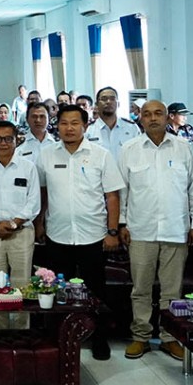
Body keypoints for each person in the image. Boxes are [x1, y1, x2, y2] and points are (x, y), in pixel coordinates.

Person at [36, 105, 124, 361]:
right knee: (56, 289)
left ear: (85, 126)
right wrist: (40, 222)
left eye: (75, 123)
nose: (69, 128)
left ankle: (98, 338)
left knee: (95, 291)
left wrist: (112, 230)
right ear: (58, 126)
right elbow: (42, 192)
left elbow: (112, 195)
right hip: (58, 234)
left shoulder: (101, 155)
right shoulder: (47, 155)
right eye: (64, 123)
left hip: (94, 235)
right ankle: (58, 337)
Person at [117, 101, 193, 361]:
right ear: (139, 119)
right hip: (140, 230)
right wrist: (122, 223)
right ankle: (140, 336)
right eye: (147, 114)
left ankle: (169, 338)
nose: (153, 118)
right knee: (140, 289)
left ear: (167, 117)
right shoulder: (129, 149)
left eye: (158, 113)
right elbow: (122, 191)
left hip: (176, 230)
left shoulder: (184, 148)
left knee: (172, 291)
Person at [0, 121, 41, 331]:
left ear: (17, 140)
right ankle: (1, 332)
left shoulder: (28, 167)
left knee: (21, 284)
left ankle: (21, 332)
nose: (3, 143)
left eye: (8, 139)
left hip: (21, 233)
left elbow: (34, 202)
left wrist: (13, 224)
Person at [85, 87, 140, 163]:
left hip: (125, 174)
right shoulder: (88, 130)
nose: (108, 102)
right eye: (104, 99)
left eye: (112, 99)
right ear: (96, 105)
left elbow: (139, 155)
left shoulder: (131, 128)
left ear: (118, 104)